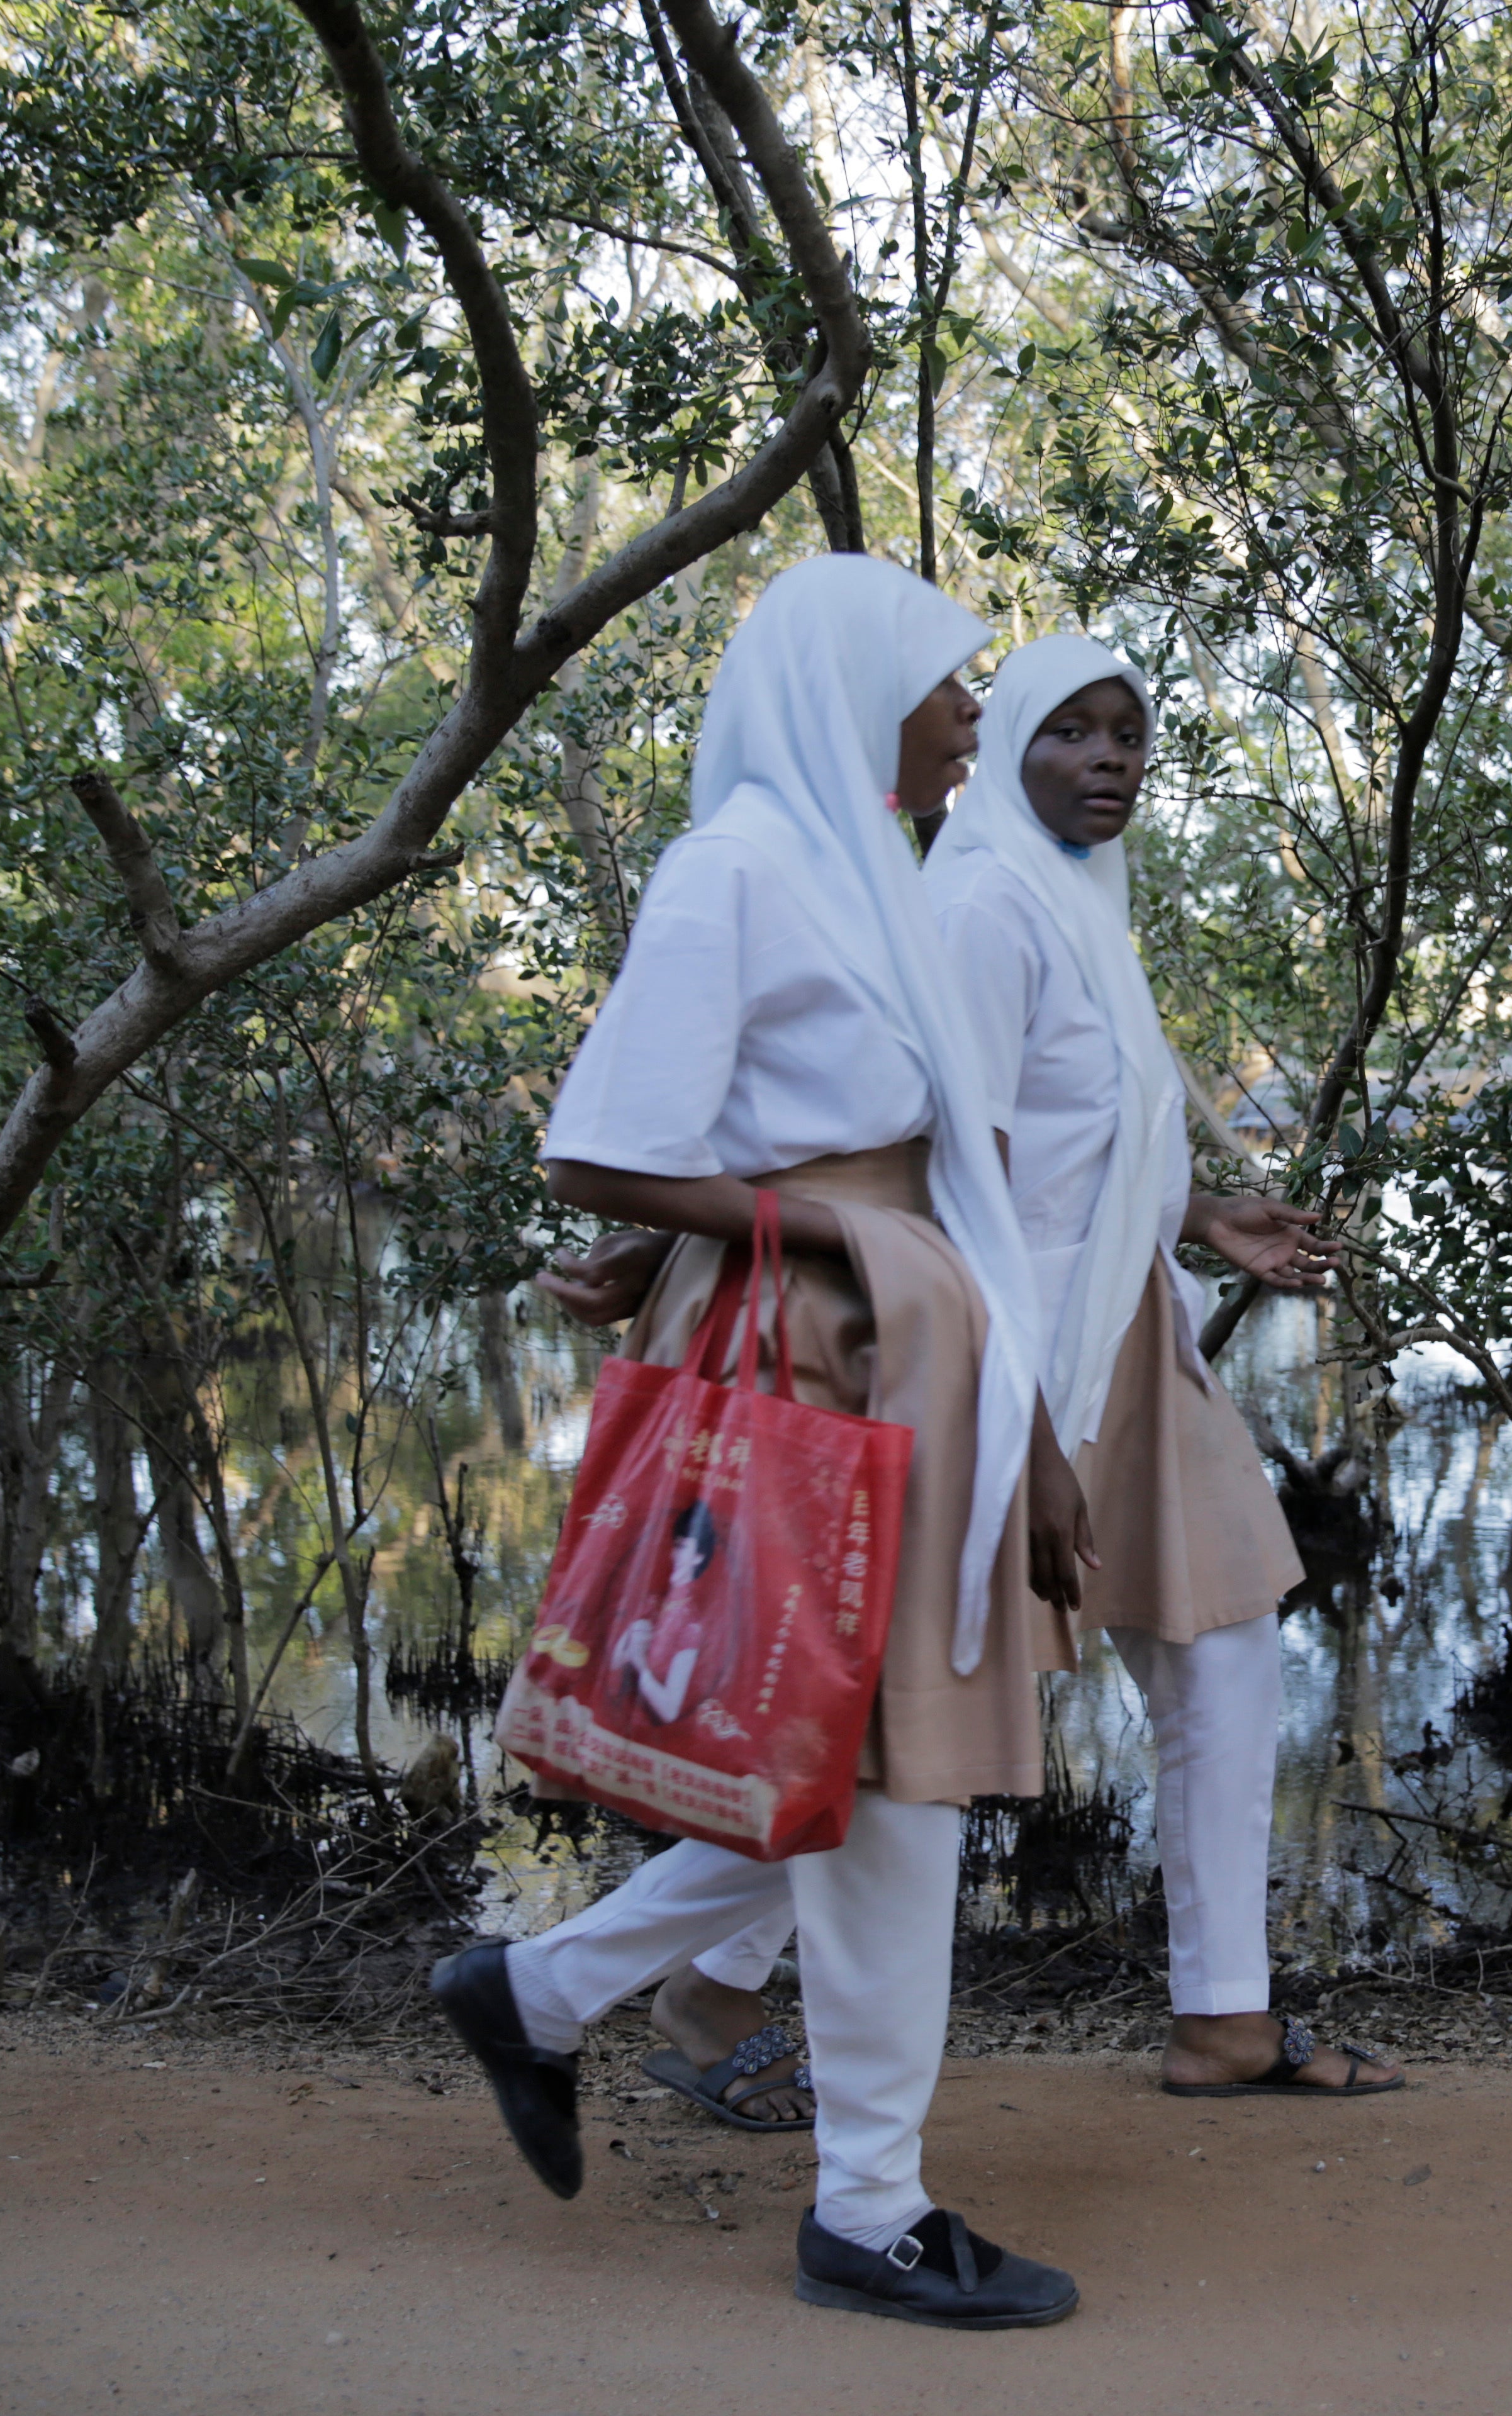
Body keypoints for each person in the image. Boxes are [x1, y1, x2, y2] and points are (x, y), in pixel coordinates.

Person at [537, 637, 1405, 2101]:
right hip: (1012, 1344)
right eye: (1070, 731)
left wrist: (1199, 1215)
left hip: (1122, 1323)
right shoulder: (982, 905)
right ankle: (655, 1981)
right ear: (1007, 756)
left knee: (1223, 1649)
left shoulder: (1072, 899)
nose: (1110, 759)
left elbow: (1081, 1127)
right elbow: (938, 1160)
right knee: (900, 1719)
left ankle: (1225, 2017)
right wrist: (715, 1256)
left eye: (1130, 732)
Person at [430, 552, 1089, 2330]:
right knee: (894, 1791)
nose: (974, 712)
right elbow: (602, 1141)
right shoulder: (733, 867)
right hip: (821, 1340)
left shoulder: (878, 873)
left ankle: (540, 1997)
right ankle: (868, 2208)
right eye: (954, 679)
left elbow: (914, 1145)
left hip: (920, 1335)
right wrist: (809, 1231)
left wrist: (1029, 1418)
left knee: (866, 1769)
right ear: (855, 690)